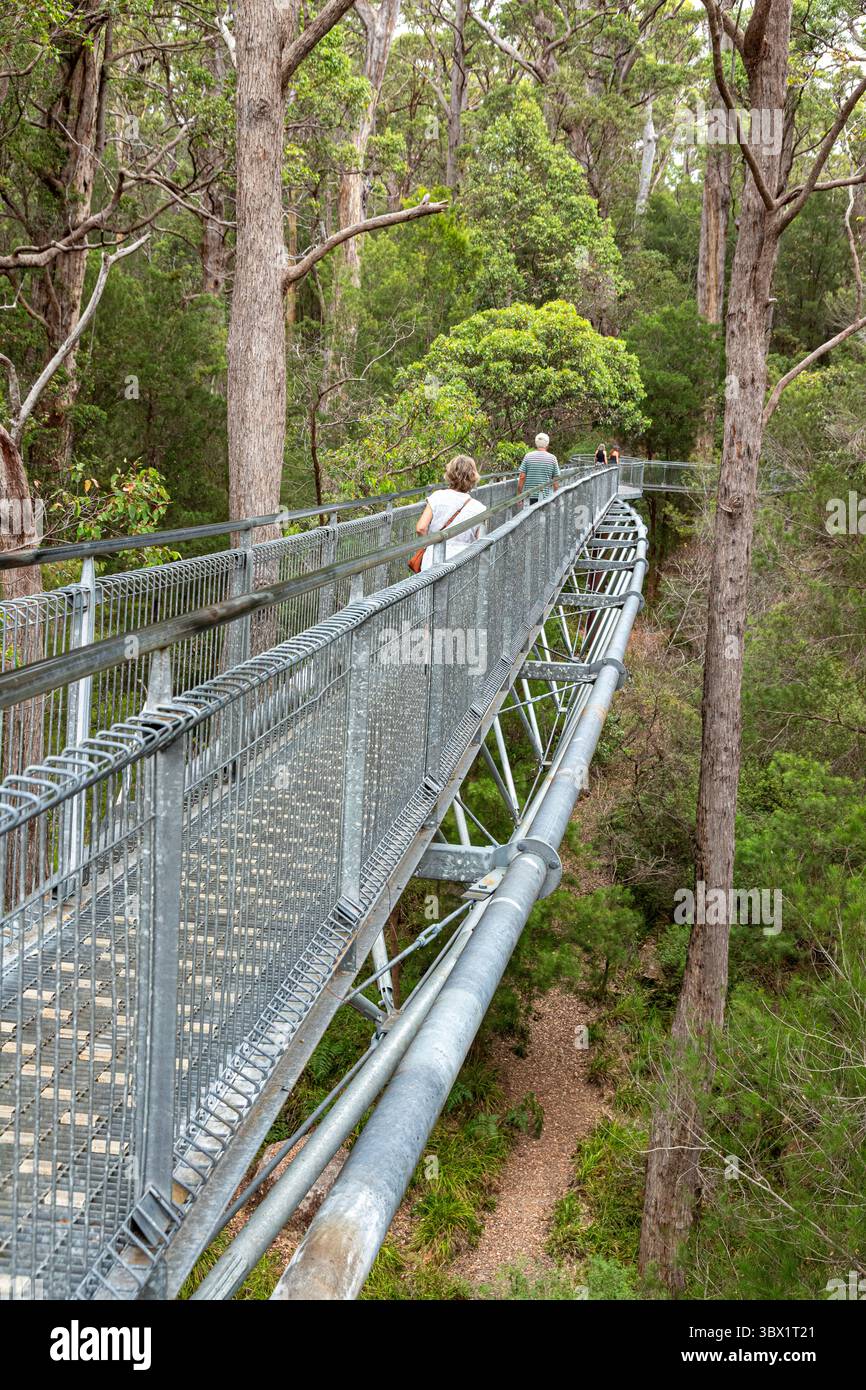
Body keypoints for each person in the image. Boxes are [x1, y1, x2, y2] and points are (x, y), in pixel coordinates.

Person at [415, 454, 486, 571]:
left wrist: (429, 546)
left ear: (450, 474)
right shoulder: (479, 508)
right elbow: (480, 542)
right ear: (473, 476)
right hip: (463, 562)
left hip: (432, 561)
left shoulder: (437, 497)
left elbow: (421, 528)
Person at [517, 433, 561, 505]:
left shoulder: (528, 456)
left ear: (536, 443)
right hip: (545, 497)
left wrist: (519, 495)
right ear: (547, 444)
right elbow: (555, 480)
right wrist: (557, 497)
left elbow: (522, 477)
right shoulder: (552, 458)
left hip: (529, 496)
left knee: (529, 515)